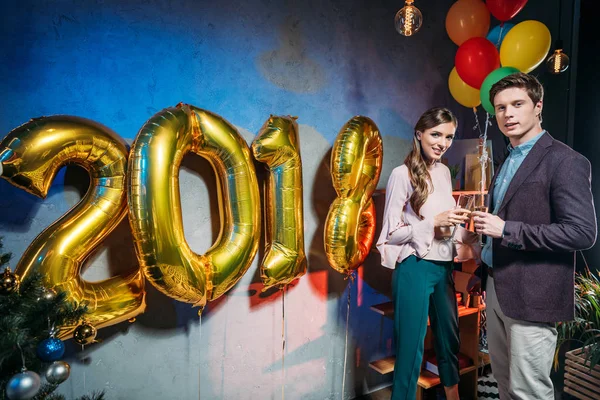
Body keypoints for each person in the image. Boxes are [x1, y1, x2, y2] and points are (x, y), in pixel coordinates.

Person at [472, 72, 597, 399]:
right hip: (496, 284)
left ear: (538, 106)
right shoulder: (507, 159)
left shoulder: (565, 161)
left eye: (517, 104)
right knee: (503, 381)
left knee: (529, 391)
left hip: (532, 293)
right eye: (500, 108)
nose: (507, 114)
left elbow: (582, 232)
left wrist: (506, 230)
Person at [377, 107, 478, 400]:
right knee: (411, 347)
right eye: (436, 134)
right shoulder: (401, 174)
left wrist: (464, 229)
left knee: (449, 340)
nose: (442, 142)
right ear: (419, 134)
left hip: (443, 268)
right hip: (414, 267)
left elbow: (447, 224)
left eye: (448, 136)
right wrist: (433, 223)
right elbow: (391, 234)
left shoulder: (445, 172)